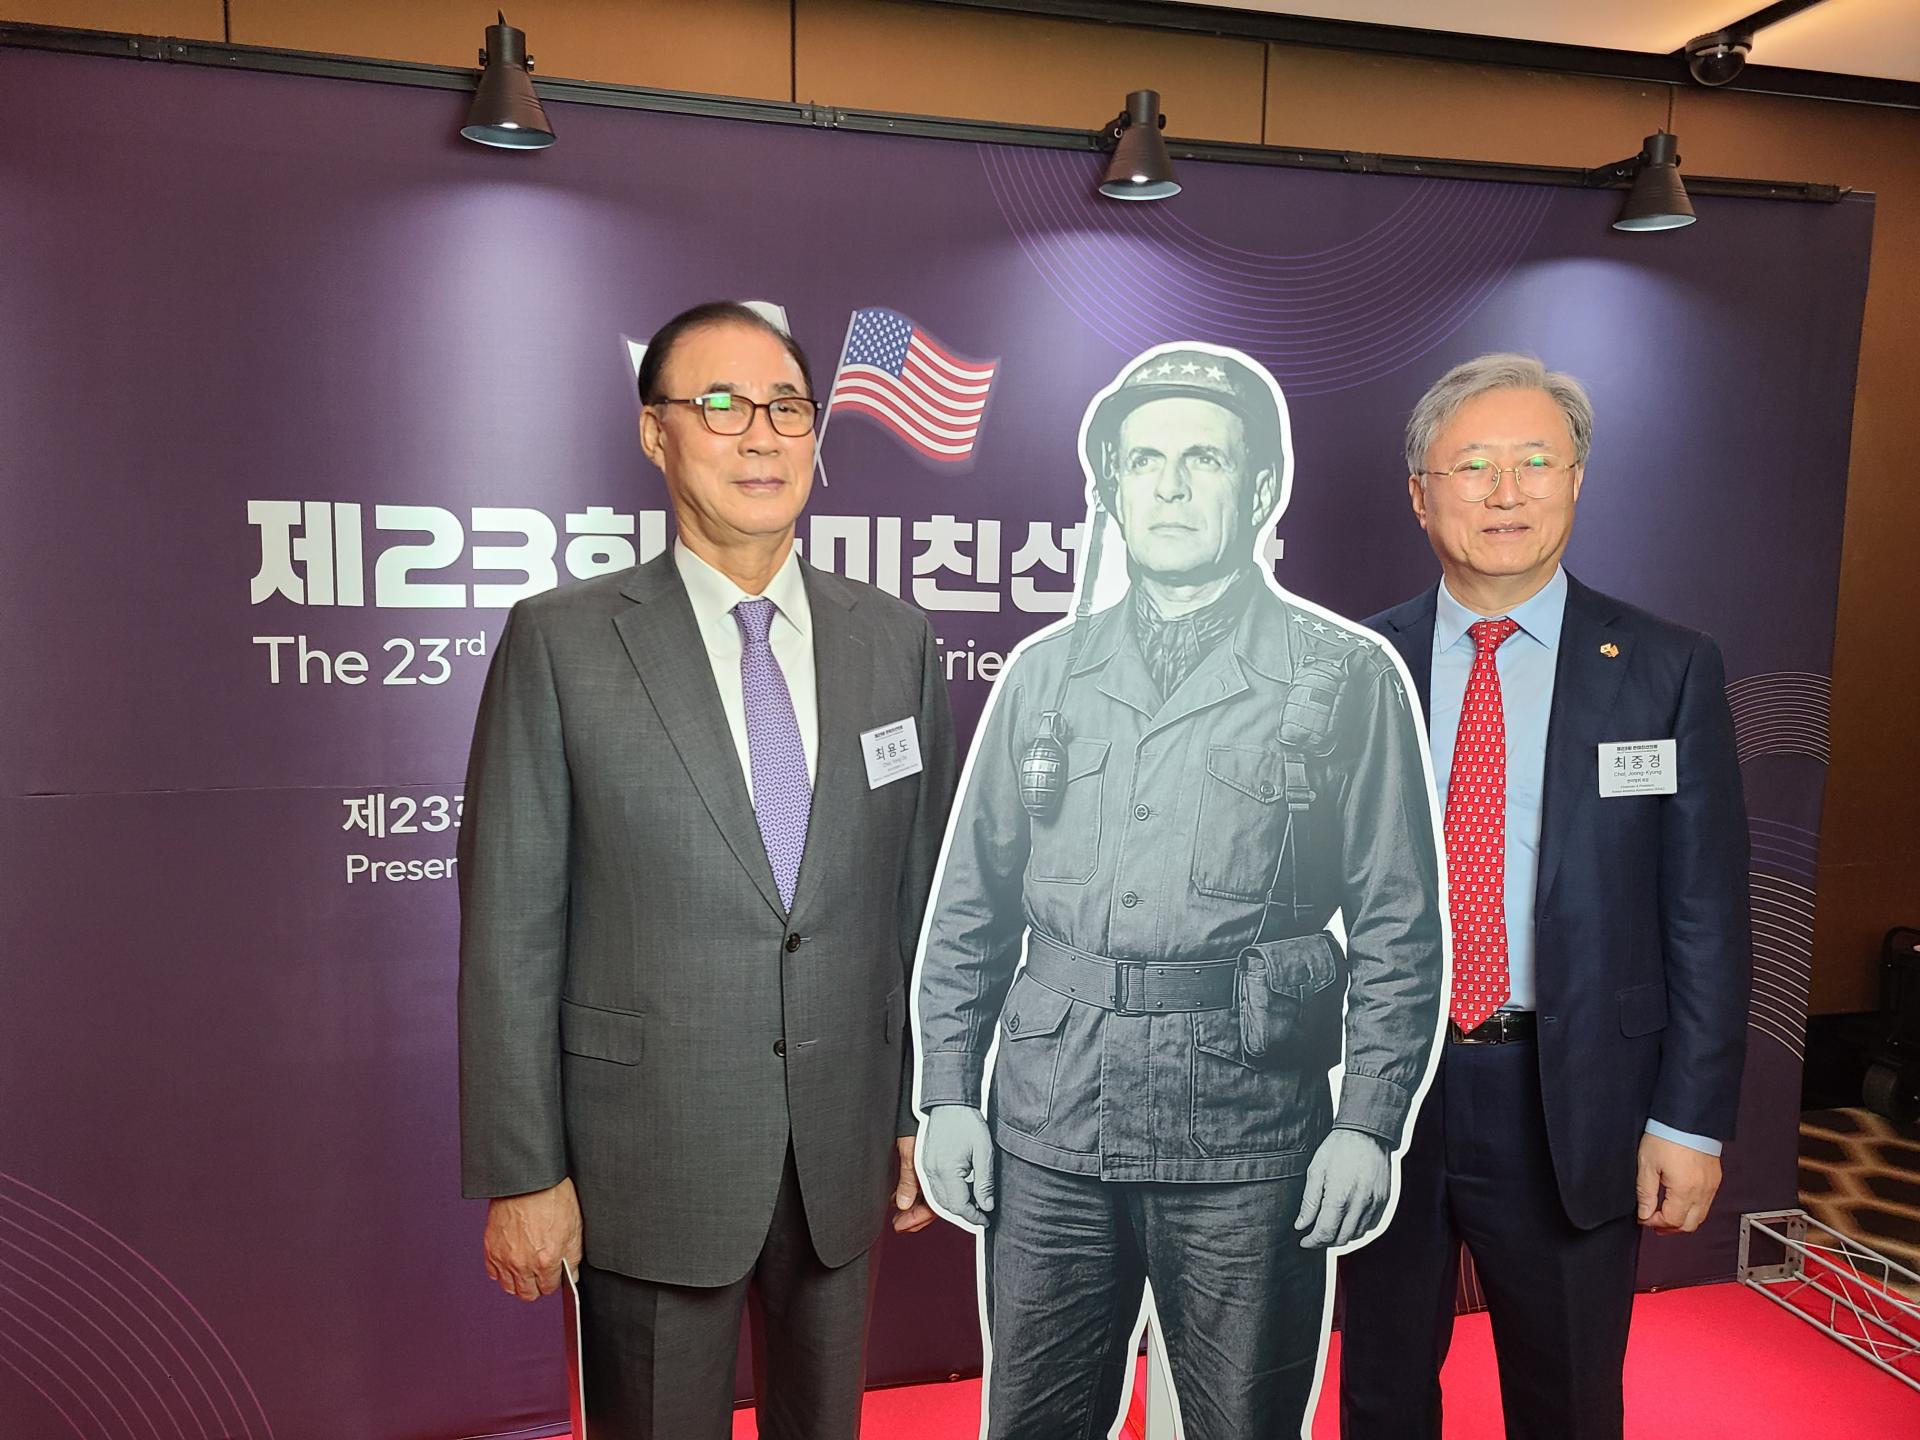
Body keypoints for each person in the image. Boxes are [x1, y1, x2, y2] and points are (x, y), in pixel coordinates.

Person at [914, 344, 1444, 1440]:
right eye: (1144, 462)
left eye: (1203, 459)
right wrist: (949, 1096)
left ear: (1260, 487)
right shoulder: (1047, 675)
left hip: (1248, 1137)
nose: (1169, 487)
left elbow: (1398, 924)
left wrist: (1370, 1123)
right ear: (1111, 486)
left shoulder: (1341, 675)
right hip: (1052, 1128)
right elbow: (972, 908)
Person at [457, 301, 956, 1440]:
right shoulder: (564, 641)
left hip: (839, 1153)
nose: (761, 435)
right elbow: (510, 928)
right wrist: (524, 1172)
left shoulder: (895, 641)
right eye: (721, 405)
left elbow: (918, 902)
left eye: (787, 406)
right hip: (646, 1160)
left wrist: (926, 1106)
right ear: (656, 434)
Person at [1338, 353, 1751, 1440]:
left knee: (1566, 1398)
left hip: (1574, 1095)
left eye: (1535, 462)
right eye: (1473, 465)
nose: (1505, 492)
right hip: (1383, 1090)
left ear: (1577, 481)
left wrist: (1689, 1121)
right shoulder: (1351, 666)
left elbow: (1706, 915)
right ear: (1421, 493)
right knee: (1379, 1389)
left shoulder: (1664, 668)